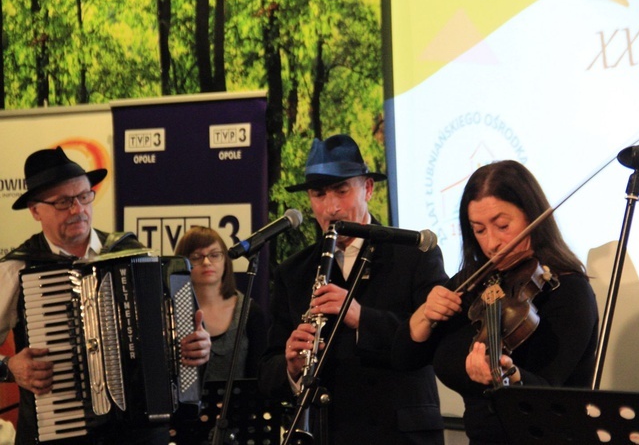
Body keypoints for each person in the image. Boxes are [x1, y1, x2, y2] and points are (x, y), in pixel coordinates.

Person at [0, 146, 212, 445]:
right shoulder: (17, 269)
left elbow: (181, 340)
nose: (78, 209)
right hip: (60, 432)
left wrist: (197, 348)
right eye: (63, 202)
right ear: (35, 210)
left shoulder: (131, 252)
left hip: (140, 434)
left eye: (84, 196)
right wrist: (8, 367)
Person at [258, 134, 448, 444]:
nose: (331, 207)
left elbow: (435, 341)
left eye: (342, 191)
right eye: (318, 194)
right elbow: (267, 371)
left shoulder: (414, 253)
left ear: (368, 189)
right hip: (329, 432)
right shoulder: (293, 272)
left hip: (399, 435)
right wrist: (290, 365)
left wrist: (361, 317)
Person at [393, 160, 599, 445]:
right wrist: (425, 315)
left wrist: (505, 375)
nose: (492, 244)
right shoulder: (472, 282)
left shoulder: (568, 290)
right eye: (479, 230)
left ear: (531, 216)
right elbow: (404, 358)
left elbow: (548, 390)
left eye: (502, 226)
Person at [175, 226, 267, 382]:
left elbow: (259, 377)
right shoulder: (169, 312)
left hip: (237, 405)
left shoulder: (250, 312)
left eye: (214, 255)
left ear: (226, 261)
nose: (206, 262)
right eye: (196, 257)